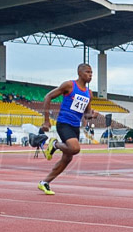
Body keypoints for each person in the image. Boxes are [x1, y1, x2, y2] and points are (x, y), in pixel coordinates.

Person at [37, 63, 98, 195]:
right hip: (64, 123)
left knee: (68, 158)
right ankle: (54, 144)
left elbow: (86, 114)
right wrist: (46, 121)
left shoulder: (89, 93)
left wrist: (92, 115)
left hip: (75, 126)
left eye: (92, 73)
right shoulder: (69, 85)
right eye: (88, 72)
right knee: (75, 148)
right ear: (80, 73)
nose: (90, 75)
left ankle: (45, 182)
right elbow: (48, 97)